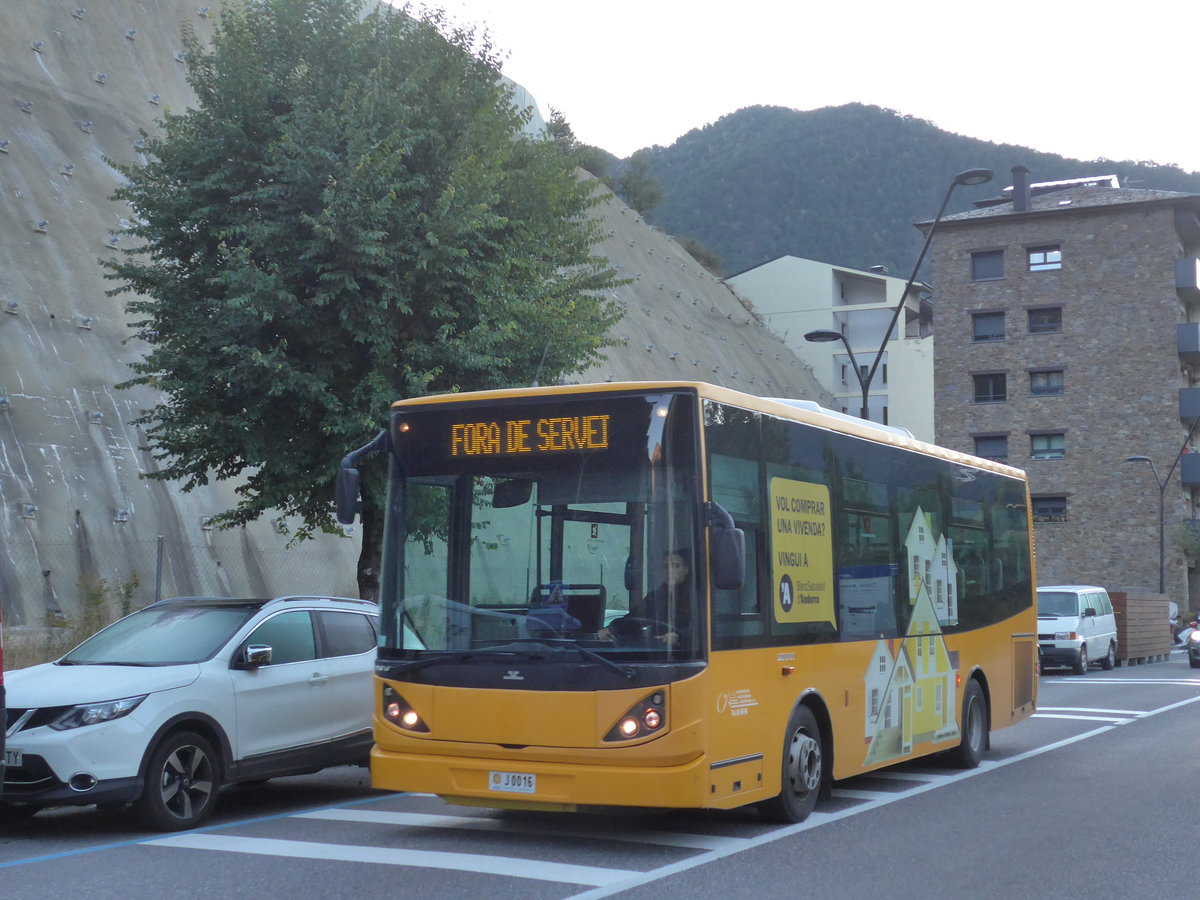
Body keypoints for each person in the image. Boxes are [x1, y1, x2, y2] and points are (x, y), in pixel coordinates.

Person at [602, 549, 692, 647]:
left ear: (686, 570)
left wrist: (679, 635)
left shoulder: (697, 597)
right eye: (665, 567)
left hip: (685, 654)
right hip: (657, 652)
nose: (669, 571)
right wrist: (611, 629)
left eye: (675, 566)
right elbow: (635, 618)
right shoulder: (656, 597)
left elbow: (703, 628)